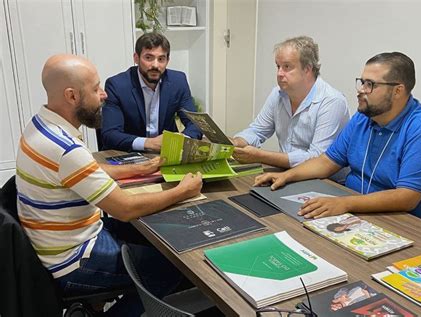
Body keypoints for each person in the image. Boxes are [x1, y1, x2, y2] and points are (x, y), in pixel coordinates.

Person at [16, 54, 203, 316]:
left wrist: (139, 168)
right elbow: (124, 209)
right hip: (74, 260)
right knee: (173, 266)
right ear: (71, 96)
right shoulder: (65, 148)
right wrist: (184, 191)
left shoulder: (39, 125)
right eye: (95, 88)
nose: (103, 95)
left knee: (153, 237)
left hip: (59, 241)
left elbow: (83, 170)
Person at [254, 52, 421, 234]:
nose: (361, 90)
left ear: (398, 91)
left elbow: (407, 197)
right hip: (366, 216)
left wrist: (344, 203)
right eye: (362, 81)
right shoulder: (363, 118)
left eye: (370, 85)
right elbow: (327, 161)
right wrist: (286, 175)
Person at [232, 36, 350, 170]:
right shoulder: (277, 94)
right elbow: (257, 131)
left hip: (325, 181)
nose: (279, 73)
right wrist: (237, 142)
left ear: (307, 69)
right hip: (288, 174)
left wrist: (261, 156)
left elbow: (317, 158)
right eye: (278, 66)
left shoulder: (332, 101)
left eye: (287, 67)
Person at [101, 32, 201, 152]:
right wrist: (148, 143)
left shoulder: (178, 81)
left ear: (167, 61)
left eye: (161, 59)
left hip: (167, 153)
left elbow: (196, 124)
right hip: (129, 154)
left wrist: (180, 139)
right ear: (136, 58)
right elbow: (110, 134)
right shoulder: (117, 85)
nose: (155, 65)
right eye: (148, 58)